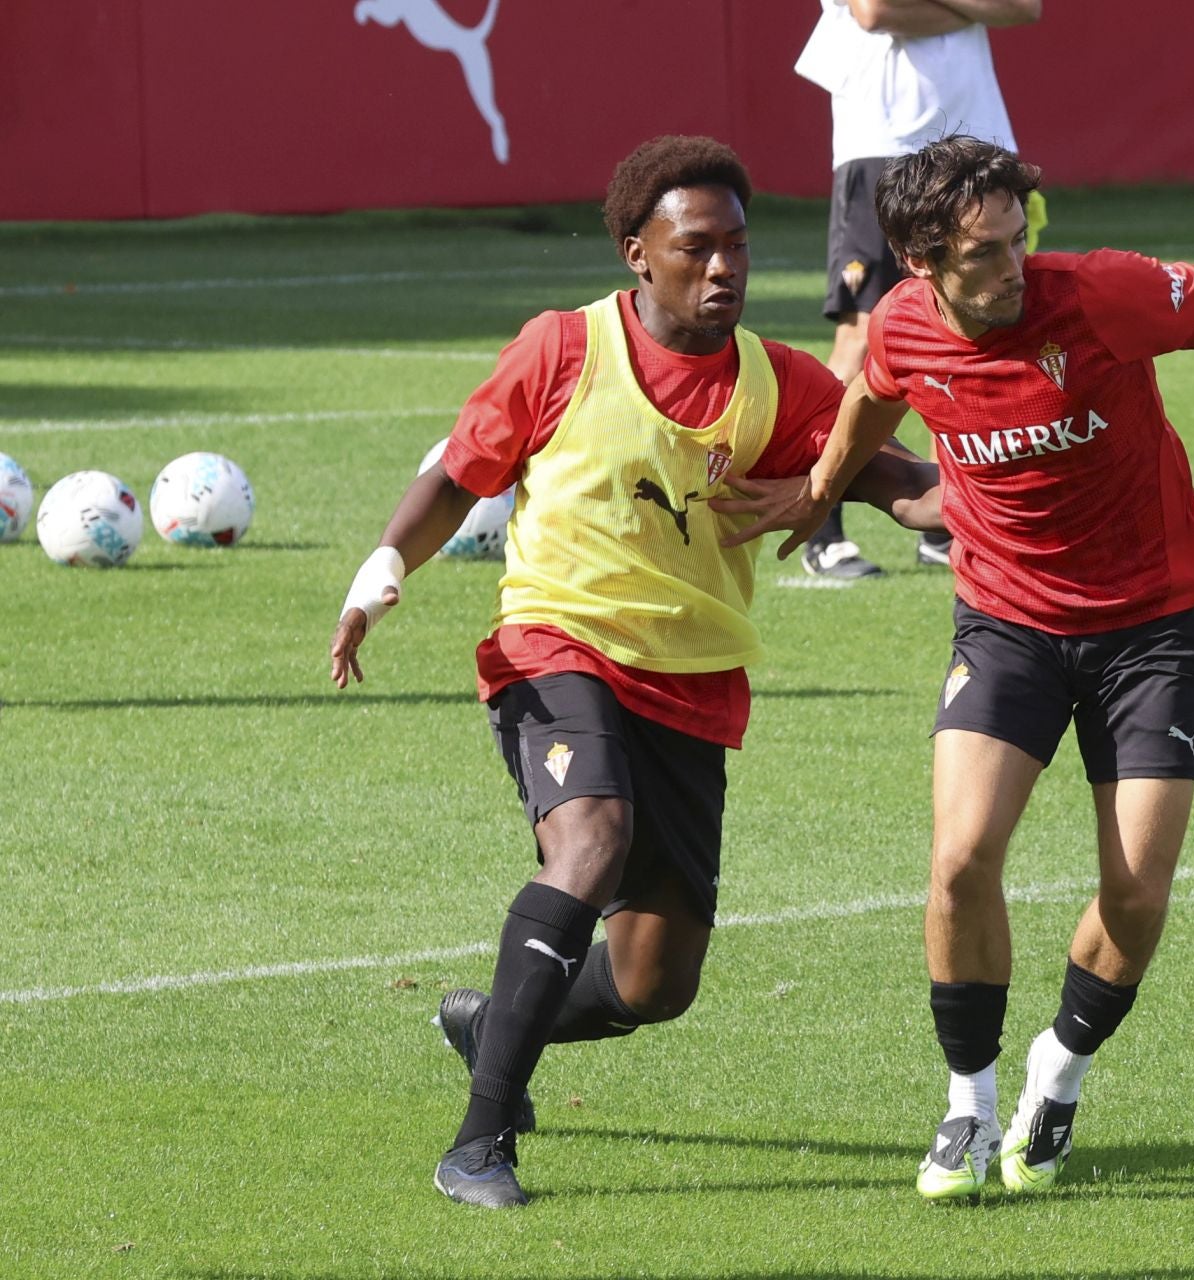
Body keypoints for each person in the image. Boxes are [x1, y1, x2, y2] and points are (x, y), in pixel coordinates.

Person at [327, 134, 941, 1209]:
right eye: (696, 247)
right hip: (555, 647)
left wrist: (999, 498)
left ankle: (494, 1024)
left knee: (656, 982)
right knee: (591, 840)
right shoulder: (563, 349)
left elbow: (896, 478)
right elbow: (458, 475)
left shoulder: (780, 383)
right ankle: (478, 1144)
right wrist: (381, 572)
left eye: (737, 245)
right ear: (637, 253)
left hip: (692, 684)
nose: (724, 267)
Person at [725, 135, 1194, 1200]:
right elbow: (872, 396)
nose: (1012, 267)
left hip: (1152, 625)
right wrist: (818, 491)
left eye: (1015, 238)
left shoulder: (1104, 294)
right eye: (983, 253)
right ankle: (969, 1105)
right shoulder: (902, 324)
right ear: (920, 262)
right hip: (1006, 621)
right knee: (959, 860)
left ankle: (1059, 1070)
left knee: (1136, 893)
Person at [793, 0, 1043, 579]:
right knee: (863, 335)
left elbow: (1022, 7)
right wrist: (972, 10)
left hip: (978, 145)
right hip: (884, 142)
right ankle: (821, 523)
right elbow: (876, 11)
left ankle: (949, 521)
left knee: (972, 330)